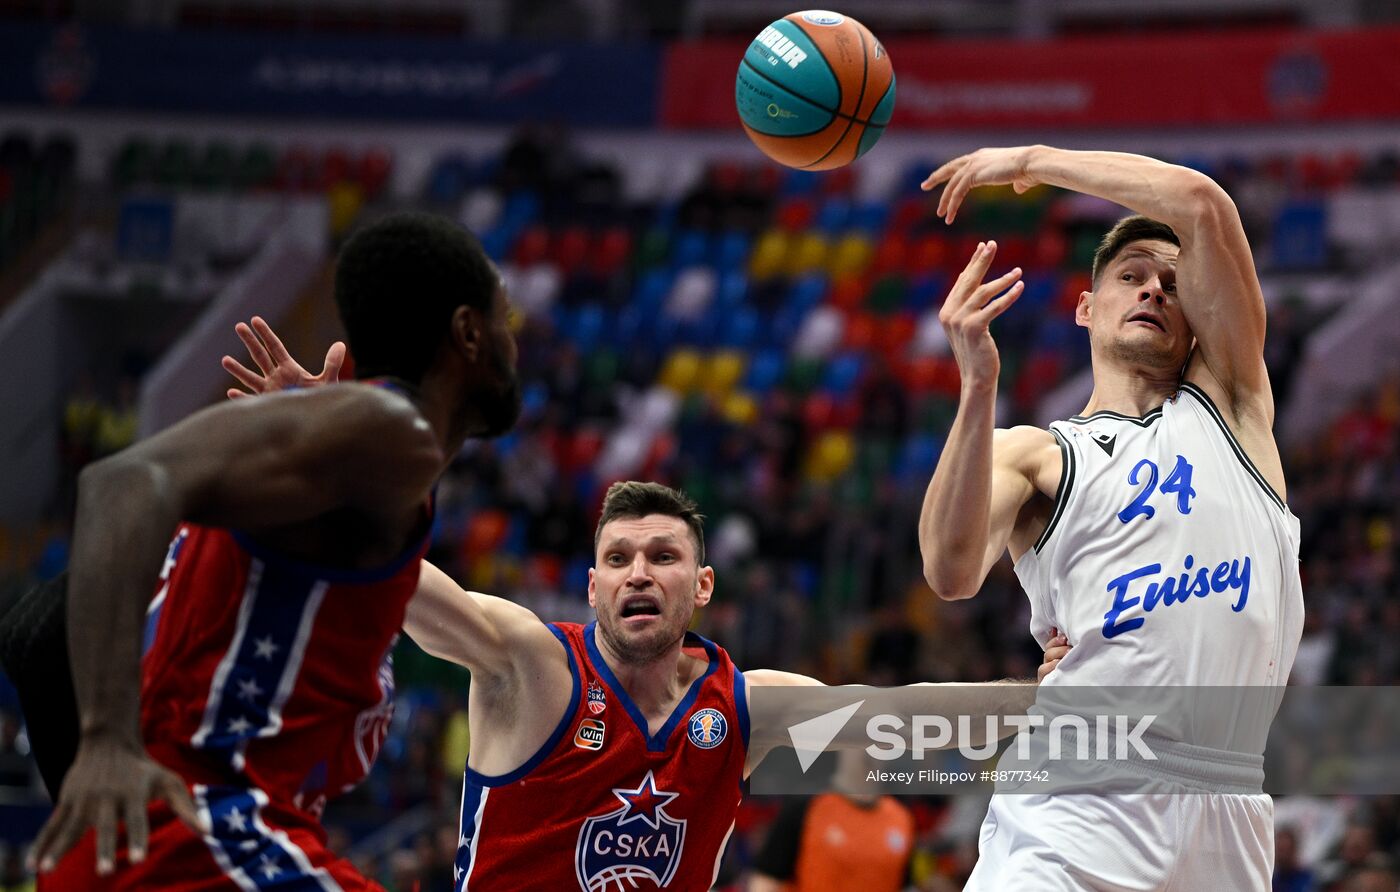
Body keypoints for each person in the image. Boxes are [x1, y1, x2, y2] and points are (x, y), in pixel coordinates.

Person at [223, 320, 1063, 891]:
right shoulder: (530, 664)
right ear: (590, 586)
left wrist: (1049, 695)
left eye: (663, 558)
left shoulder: (740, 708)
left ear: (702, 587)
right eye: (617, 559)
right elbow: (405, 584)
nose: (637, 574)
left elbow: (905, 724)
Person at [24, 210, 523, 890]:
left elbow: (38, 628)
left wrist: (317, 423)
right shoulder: (390, 432)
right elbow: (120, 484)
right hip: (198, 833)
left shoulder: (363, 461)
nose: (514, 340)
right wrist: (105, 742)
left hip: (179, 837)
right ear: (468, 332)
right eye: (505, 319)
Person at [918, 145, 1305, 890]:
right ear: (1087, 307)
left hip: (1228, 801)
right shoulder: (1035, 452)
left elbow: (1202, 204)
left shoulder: (1234, 405)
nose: (1154, 291)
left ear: (1200, 321)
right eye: (1131, 278)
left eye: (1171, 284)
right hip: (1083, 786)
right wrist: (977, 386)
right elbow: (951, 569)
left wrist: (1033, 160)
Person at [747, 749, 916, 892]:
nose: (869, 752)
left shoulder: (901, 818)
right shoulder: (806, 807)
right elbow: (765, 879)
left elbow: (905, 884)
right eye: (861, 741)